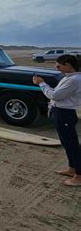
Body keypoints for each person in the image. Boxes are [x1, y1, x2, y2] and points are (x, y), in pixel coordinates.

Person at [33, 54, 81, 187]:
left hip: (65, 113)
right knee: (66, 142)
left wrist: (41, 83)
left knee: (72, 145)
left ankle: (79, 176)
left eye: (58, 65)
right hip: (61, 112)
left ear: (68, 65)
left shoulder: (74, 80)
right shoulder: (69, 78)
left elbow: (55, 95)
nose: (56, 67)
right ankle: (72, 169)